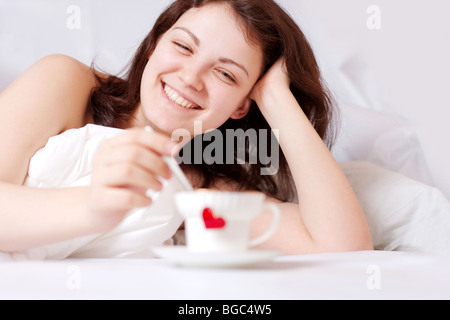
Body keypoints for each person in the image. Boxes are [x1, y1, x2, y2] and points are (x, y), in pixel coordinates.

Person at [0, 0, 373, 255]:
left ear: (244, 104)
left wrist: (276, 98)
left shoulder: (204, 187)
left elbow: (342, 248)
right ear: (153, 46)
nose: (191, 77)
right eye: (182, 46)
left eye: (226, 73)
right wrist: (92, 208)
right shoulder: (67, 82)